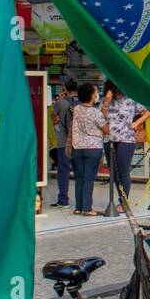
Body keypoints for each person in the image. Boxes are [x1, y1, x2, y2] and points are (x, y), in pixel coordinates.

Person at [101, 81, 148, 204]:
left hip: (126, 139)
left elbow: (148, 111)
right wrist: (105, 103)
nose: (118, 93)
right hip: (109, 139)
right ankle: (121, 198)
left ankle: (124, 201)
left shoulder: (131, 99)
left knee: (123, 170)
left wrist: (136, 123)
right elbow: (101, 118)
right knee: (114, 172)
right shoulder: (106, 100)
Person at [70, 82, 109, 216]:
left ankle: (79, 207)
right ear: (92, 96)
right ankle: (87, 208)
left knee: (79, 178)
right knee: (89, 178)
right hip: (93, 148)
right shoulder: (95, 113)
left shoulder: (76, 109)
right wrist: (105, 107)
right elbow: (106, 129)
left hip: (78, 147)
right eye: (95, 92)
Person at [50, 78, 78, 207]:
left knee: (63, 171)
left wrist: (57, 99)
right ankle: (82, 200)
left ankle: (63, 199)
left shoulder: (60, 102)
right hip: (79, 142)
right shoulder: (81, 102)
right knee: (80, 172)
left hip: (63, 141)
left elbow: (53, 116)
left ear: (65, 89)